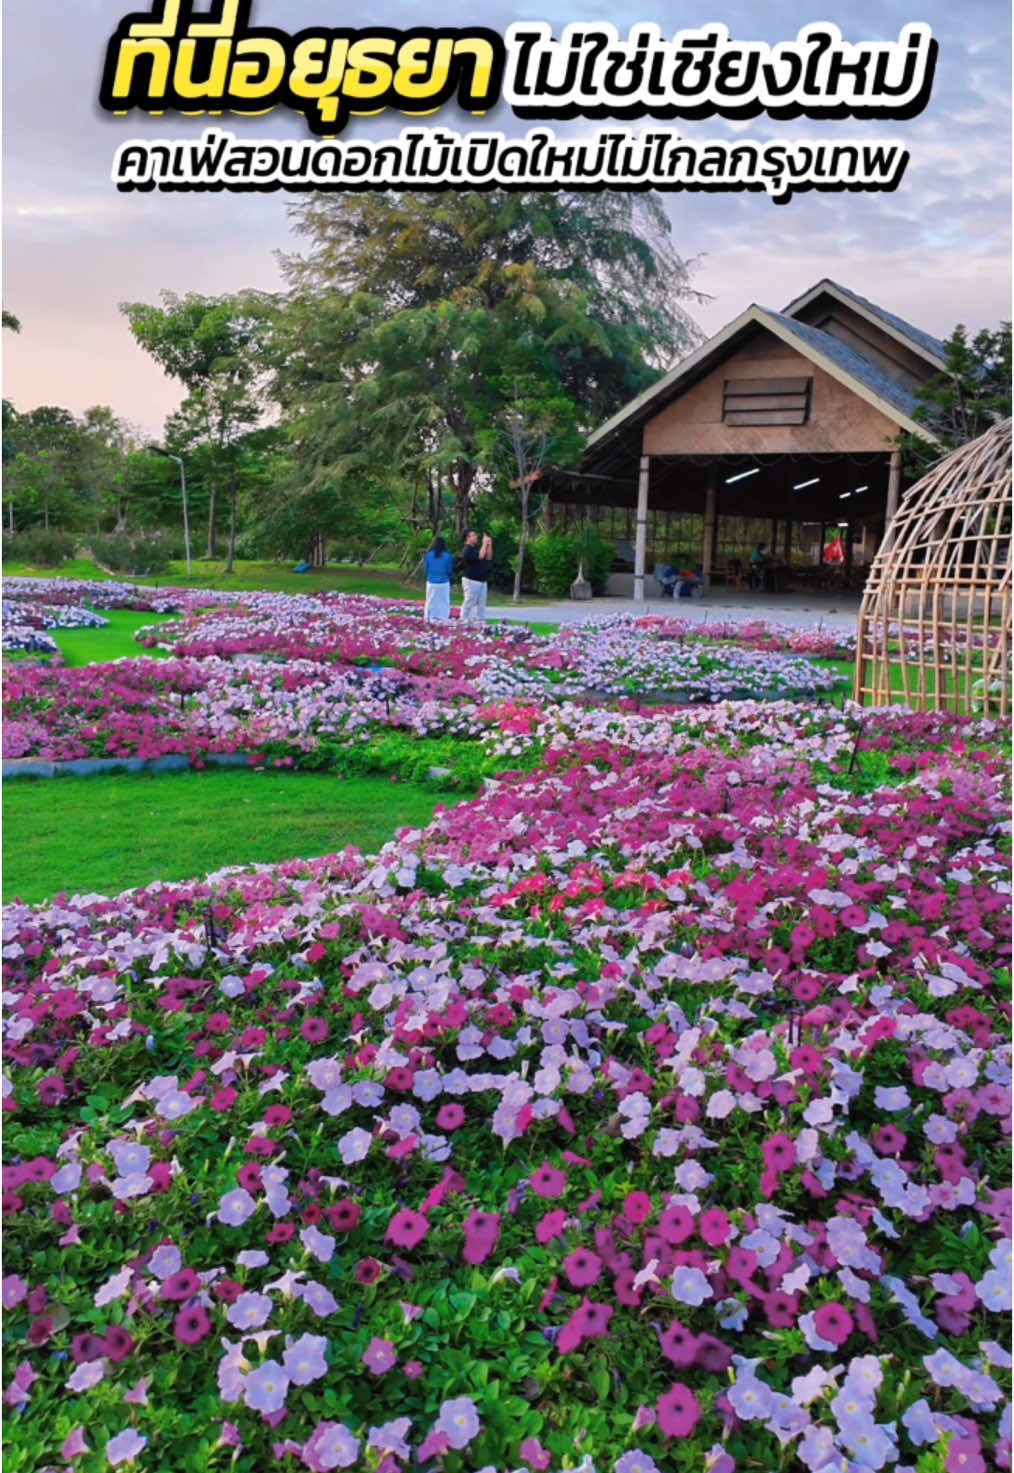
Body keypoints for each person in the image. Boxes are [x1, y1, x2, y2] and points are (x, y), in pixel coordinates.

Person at [461, 530, 492, 624]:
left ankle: (480, 621)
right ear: (467, 538)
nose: (475, 537)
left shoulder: (476, 548)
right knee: (469, 601)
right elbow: (480, 556)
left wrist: (489, 544)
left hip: (482, 580)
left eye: (475, 535)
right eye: (473, 535)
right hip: (471, 580)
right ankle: (463, 619)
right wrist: (484, 543)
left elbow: (489, 557)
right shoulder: (467, 549)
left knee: (482, 603)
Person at [422, 534, 454, 621]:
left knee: (430, 600)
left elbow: (426, 569)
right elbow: (449, 570)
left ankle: (428, 616)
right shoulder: (448, 556)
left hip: (431, 581)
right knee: (444, 601)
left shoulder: (428, 555)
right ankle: (443, 617)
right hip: (443, 582)